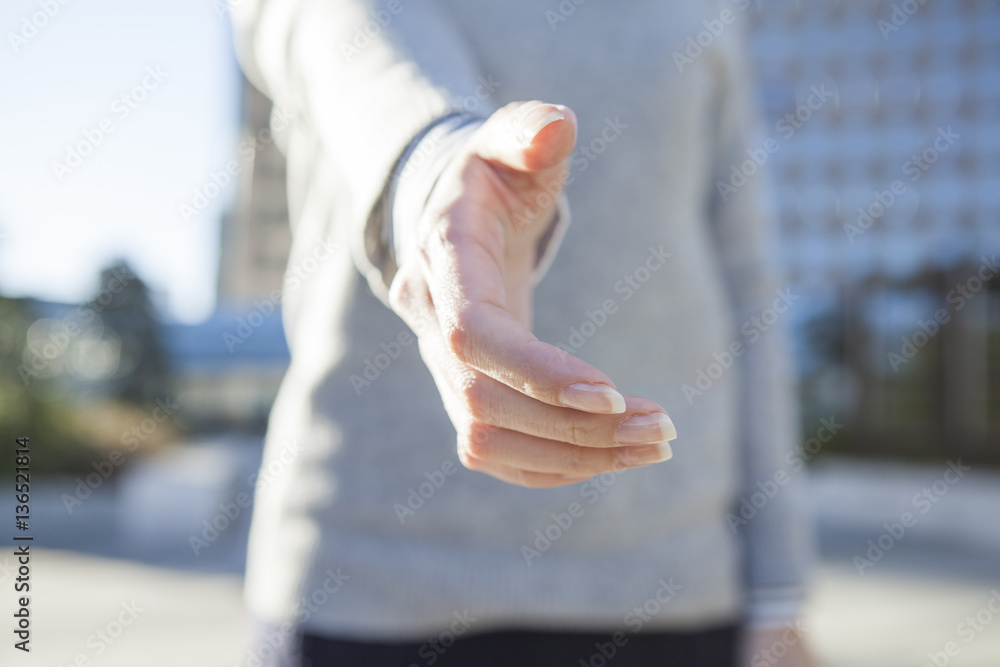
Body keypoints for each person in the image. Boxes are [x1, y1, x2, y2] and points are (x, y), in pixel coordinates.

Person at [231, 0, 814, 664]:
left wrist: (777, 590)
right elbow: (333, 27)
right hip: (368, 582)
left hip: (670, 586)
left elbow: (747, 286)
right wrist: (432, 170)